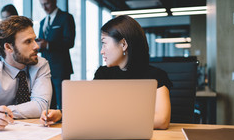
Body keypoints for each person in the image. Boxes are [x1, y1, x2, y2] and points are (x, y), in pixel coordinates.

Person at [41, 15, 172, 130]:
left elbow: (162, 120)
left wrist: (108, 120)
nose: (101, 51)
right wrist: (61, 114)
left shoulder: (155, 76)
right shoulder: (103, 74)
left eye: (104, 44)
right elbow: (85, 107)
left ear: (123, 44)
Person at [36, 0, 76, 109]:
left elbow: (69, 42)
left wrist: (47, 44)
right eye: (42, 4)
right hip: (45, 69)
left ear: (54, 0)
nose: (44, 7)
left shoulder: (66, 18)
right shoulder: (43, 22)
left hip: (61, 68)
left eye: (46, 3)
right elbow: (42, 42)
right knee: (49, 102)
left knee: (63, 104)